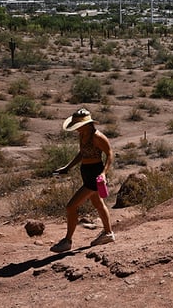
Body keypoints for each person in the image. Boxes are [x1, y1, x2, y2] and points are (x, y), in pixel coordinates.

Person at [50, 108, 115, 252]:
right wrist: (67, 167)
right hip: (86, 172)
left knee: (71, 206)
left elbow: (110, 154)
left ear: (87, 124)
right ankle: (108, 233)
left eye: (78, 126)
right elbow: (82, 153)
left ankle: (67, 241)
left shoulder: (97, 137)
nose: (76, 129)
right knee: (98, 203)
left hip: (94, 174)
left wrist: (104, 173)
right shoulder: (83, 135)